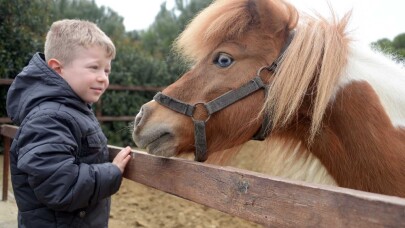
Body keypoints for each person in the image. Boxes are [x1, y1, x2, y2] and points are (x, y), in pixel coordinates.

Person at [6, 19, 132, 227]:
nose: (103, 78)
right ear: (57, 68)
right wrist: (113, 171)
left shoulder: (68, 110)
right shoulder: (49, 118)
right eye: (94, 68)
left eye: (107, 70)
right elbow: (60, 187)